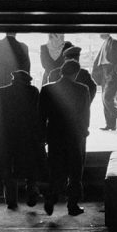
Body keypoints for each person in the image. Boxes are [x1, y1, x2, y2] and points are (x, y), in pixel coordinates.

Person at [0, 70, 45, 210]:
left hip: (5, 138)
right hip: (27, 137)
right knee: (31, 167)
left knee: (8, 167)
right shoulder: (33, 92)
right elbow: (39, 116)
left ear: (13, 80)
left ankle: (11, 200)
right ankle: (32, 192)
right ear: (27, 81)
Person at [39, 60, 90, 217]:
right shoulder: (82, 89)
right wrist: (84, 131)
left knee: (56, 169)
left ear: (61, 71)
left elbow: (41, 116)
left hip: (55, 136)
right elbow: (85, 114)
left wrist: (43, 136)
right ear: (76, 73)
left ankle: (51, 198)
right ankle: (72, 205)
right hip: (75, 135)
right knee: (75, 171)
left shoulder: (47, 89)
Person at [92, 33, 117, 131]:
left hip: (112, 72)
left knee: (107, 97)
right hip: (104, 73)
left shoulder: (115, 42)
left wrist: (115, 72)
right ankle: (110, 125)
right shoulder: (104, 43)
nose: (99, 34)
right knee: (104, 100)